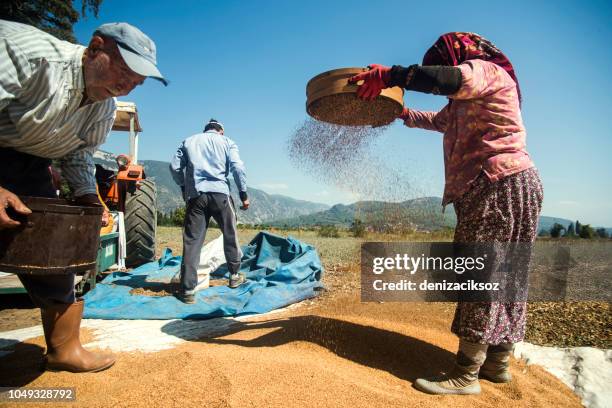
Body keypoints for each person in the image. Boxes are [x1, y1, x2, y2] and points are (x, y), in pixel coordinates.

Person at [350, 32, 543, 395]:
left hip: (495, 183)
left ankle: (466, 375)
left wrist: (391, 75)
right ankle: (496, 365)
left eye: (444, 62)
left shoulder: (485, 72)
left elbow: (448, 80)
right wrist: (400, 113)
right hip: (518, 182)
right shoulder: (468, 99)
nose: (446, 68)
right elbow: (440, 120)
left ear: (457, 55)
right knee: (508, 272)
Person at [0, 19, 167, 372]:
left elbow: (77, 154)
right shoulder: (29, 56)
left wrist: (89, 197)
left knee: (51, 249)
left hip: (29, 163)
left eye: (137, 82)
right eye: (125, 71)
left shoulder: (103, 110)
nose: (128, 86)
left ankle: (63, 348)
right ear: (95, 48)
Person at [170, 118, 249, 304]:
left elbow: (174, 167)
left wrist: (183, 187)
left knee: (192, 241)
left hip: (196, 195)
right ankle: (234, 275)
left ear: (205, 130)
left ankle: (188, 289)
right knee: (230, 234)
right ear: (220, 131)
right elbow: (238, 168)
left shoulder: (189, 141)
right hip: (220, 194)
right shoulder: (227, 141)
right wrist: (243, 193)